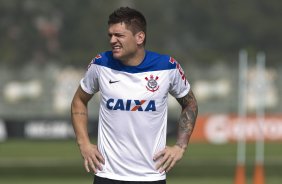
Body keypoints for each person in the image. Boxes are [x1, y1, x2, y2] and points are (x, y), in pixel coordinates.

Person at [71, 7, 198, 184]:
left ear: (140, 37)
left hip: (151, 176)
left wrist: (180, 146)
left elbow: (190, 103)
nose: (112, 40)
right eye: (110, 35)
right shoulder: (101, 64)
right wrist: (83, 143)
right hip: (107, 174)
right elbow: (79, 100)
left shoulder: (167, 67)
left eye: (119, 35)